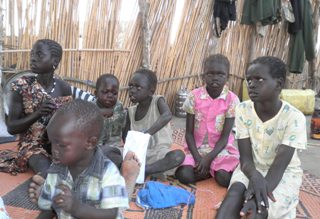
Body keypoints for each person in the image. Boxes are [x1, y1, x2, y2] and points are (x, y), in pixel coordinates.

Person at [216, 56, 307, 219]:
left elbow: (279, 166)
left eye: (259, 79)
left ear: (278, 84)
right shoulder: (243, 109)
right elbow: (245, 158)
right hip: (250, 168)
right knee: (230, 202)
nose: (251, 84)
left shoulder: (293, 117)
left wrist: (255, 195)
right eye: (249, 80)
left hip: (283, 174)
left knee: (257, 212)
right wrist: (255, 176)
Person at [37, 99, 139, 219]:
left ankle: (126, 182)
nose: (54, 150)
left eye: (62, 145)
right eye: (52, 143)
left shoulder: (108, 173)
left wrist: (77, 208)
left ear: (90, 143)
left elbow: (112, 214)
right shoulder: (56, 169)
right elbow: (47, 210)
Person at [5, 39, 72, 176]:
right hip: (32, 145)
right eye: (32, 54)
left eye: (39, 55)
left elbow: (70, 122)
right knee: (48, 172)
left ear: (55, 61)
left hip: (58, 144)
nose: (33, 58)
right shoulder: (21, 86)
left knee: (84, 163)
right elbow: (12, 127)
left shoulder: (63, 87)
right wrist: (38, 113)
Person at [175, 54, 240, 188]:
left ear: (228, 77)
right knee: (183, 175)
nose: (215, 78)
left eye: (221, 74)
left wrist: (208, 158)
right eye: (210, 74)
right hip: (196, 149)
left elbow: (224, 138)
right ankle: (210, 171)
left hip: (219, 149)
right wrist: (198, 158)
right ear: (203, 76)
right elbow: (188, 133)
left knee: (224, 179)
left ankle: (211, 169)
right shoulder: (193, 96)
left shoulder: (232, 100)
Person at [124, 69, 185, 177]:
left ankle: (142, 171)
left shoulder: (157, 101)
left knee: (178, 156)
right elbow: (126, 138)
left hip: (159, 153)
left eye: (138, 87)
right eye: (130, 86)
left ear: (151, 91)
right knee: (113, 152)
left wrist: (147, 134)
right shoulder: (130, 112)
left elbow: (167, 115)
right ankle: (143, 170)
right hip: (138, 155)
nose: (132, 90)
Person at [94, 74, 126, 169]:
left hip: (115, 147)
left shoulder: (119, 107)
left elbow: (125, 128)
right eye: (105, 92)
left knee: (118, 158)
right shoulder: (91, 109)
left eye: (114, 93)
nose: (110, 96)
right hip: (95, 147)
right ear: (96, 93)